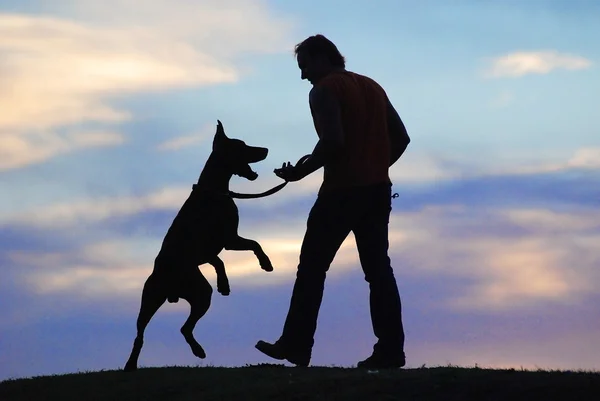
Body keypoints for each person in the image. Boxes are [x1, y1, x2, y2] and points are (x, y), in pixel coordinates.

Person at [255, 34, 411, 369]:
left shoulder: (324, 90)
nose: (303, 75)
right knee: (378, 271)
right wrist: (375, 168)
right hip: (377, 192)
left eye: (305, 65)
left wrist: (300, 172)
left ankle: (296, 346)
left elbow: (332, 142)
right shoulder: (372, 86)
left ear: (323, 59)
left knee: (312, 268)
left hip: (341, 193)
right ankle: (390, 351)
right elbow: (402, 138)